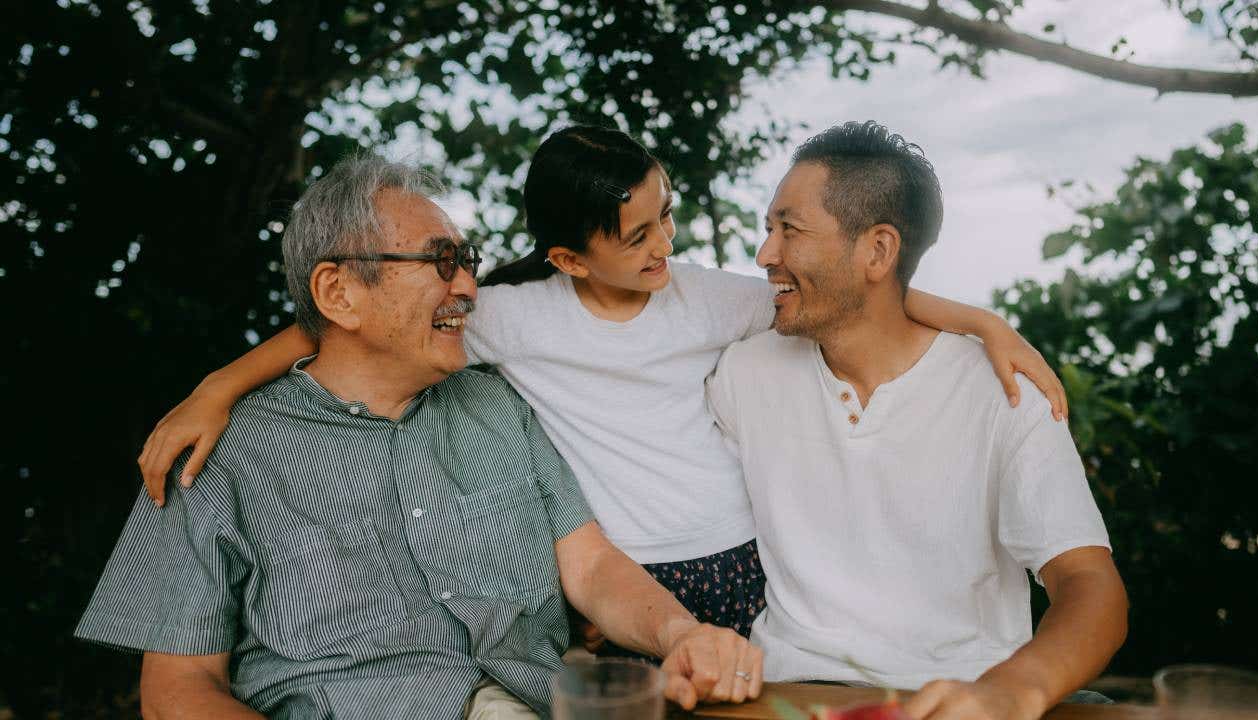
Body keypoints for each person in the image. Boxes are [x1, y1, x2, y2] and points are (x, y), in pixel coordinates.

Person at [135, 125, 1067, 655]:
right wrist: (219, 386)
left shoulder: (705, 297)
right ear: (569, 257)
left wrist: (984, 322)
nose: (664, 245)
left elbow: (847, 293)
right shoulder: (505, 317)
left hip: (742, 562)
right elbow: (335, 321)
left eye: (667, 217)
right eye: (637, 236)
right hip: (624, 578)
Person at [76, 156, 764, 719]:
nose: (469, 286)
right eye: (441, 262)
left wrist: (680, 631)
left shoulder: (500, 404)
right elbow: (176, 693)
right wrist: (216, 387)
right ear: (340, 294)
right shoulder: (222, 454)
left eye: (466, 259)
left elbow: (591, 568)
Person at [706, 121, 1128, 719]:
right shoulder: (743, 372)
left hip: (959, 702)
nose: (764, 254)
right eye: (768, 228)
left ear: (877, 250)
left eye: (789, 230)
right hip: (786, 696)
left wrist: (1014, 691)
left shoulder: (1001, 392)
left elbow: (1090, 584)